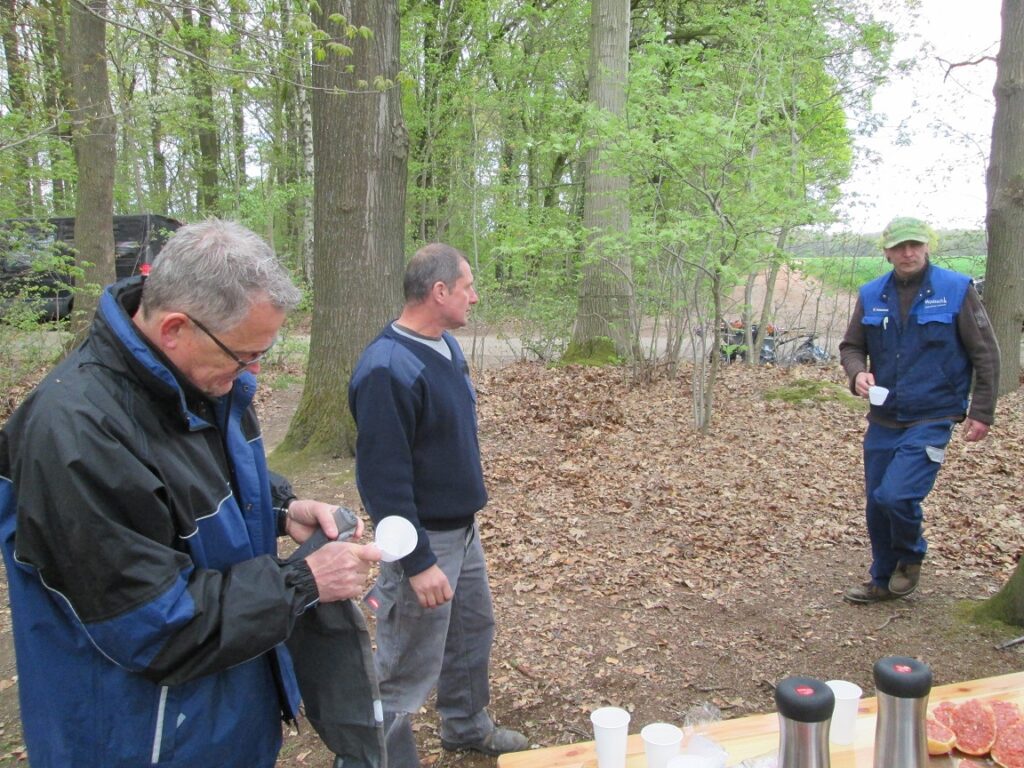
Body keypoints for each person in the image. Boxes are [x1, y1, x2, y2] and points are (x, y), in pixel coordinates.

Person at [0, 220, 382, 768]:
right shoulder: (75, 434)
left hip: (224, 711)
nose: (252, 371)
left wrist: (281, 510)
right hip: (140, 738)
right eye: (245, 355)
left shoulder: (198, 380)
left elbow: (195, 484)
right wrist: (301, 582)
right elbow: (153, 625)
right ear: (176, 326)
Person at [349, 243, 528, 766]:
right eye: (468, 286)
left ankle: (467, 726)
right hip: (423, 541)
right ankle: (377, 756)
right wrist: (418, 562)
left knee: (472, 630)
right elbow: (383, 480)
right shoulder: (387, 367)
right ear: (439, 291)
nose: (475, 296)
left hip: (462, 532)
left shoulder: (446, 346)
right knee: (406, 660)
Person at [838, 216, 1000, 604]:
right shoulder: (872, 292)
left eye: (914, 245)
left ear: (927, 246)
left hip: (933, 414)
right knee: (877, 501)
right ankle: (881, 579)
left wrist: (982, 411)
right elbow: (851, 347)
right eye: (898, 247)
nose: (907, 253)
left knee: (896, 495)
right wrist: (858, 373)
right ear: (887, 251)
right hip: (884, 416)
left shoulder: (956, 289)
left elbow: (985, 352)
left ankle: (911, 557)